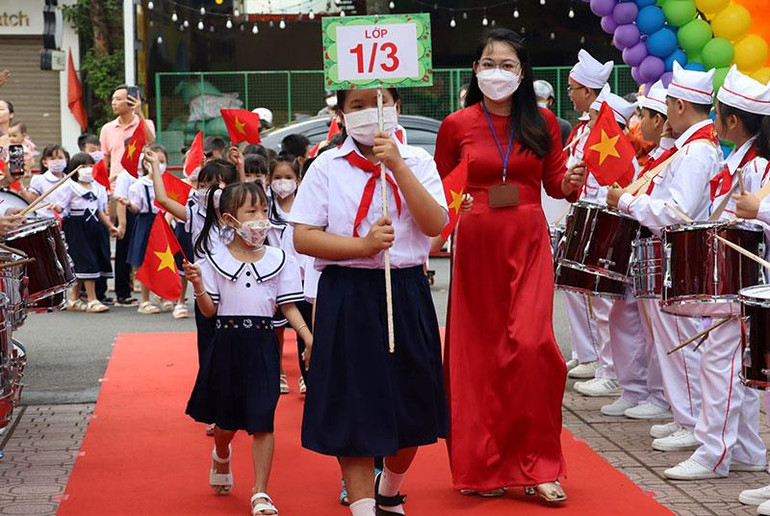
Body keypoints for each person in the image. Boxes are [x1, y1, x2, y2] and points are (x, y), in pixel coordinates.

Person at [434, 28, 586, 503]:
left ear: (522, 73)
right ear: (475, 70)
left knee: (533, 347)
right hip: (476, 244)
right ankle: (484, 467)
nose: (496, 72)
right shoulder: (456, 125)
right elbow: (442, 189)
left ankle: (540, 466)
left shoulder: (543, 122)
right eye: (487, 63)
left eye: (506, 64)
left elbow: (558, 184)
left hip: (528, 242)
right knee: (478, 357)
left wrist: (575, 179)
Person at [292, 85, 450, 516]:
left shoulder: (418, 160)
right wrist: (361, 246)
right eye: (356, 106)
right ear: (341, 114)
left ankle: (390, 489)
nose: (369, 113)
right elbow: (303, 236)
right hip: (348, 293)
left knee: (414, 404)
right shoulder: (327, 166)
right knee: (354, 405)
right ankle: (362, 508)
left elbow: (437, 222)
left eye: (379, 103)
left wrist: (397, 165)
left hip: (407, 291)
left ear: (398, 107)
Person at [661, 66, 769, 481]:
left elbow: (756, 218)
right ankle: (744, 451)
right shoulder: (742, 160)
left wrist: (757, 210)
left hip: (748, 281)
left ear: (733, 121)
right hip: (741, 281)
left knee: (719, 364)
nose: (714, 118)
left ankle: (712, 454)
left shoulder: (758, 166)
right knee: (730, 366)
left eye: (718, 112)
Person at [607, 62, 722, 453]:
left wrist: (625, 200)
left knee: (683, 344)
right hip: (673, 255)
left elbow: (677, 212)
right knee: (675, 343)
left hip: (683, 256)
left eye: (669, 103)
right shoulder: (690, 149)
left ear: (677, 106)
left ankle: (692, 421)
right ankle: (685, 417)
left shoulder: (695, 153)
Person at [184, 182, 311, 516]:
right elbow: (210, 310)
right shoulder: (213, 260)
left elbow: (288, 307)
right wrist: (198, 285)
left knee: (263, 419)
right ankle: (221, 453)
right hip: (227, 343)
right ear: (230, 219)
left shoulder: (279, 258)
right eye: (250, 212)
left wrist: (308, 338)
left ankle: (260, 492)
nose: (260, 220)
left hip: (262, 343)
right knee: (225, 423)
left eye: (264, 211)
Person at [561, 49, 614, 384]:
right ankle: (587, 353)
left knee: (599, 297)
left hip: (601, 214)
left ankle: (603, 363)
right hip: (582, 212)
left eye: (572, 88)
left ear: (588, 92)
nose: (570, 94)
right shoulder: (583, 126)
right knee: (575, 288)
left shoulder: (607, 122)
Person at [55, 153, 117, 312]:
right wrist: (55, 207)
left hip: (94, 227)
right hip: (77, 226)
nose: (87, 170)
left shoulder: (97, 186)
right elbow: (61, 208)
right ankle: (92, 299)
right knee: (85, 260)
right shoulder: (69, 186)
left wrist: (110, 226)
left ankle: (73, 298)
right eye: (83, 167)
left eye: (90, 166)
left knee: (92, 258)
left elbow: (99, 211)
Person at [118, 146, 165, 314]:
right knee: (145, 263)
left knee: (164, 260)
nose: (159, 165)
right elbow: (137, 208)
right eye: (156, 161)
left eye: (162, 162)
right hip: (146, 223)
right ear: (146, 163)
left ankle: (163, 295)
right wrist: (129, 204)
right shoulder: (139, 185)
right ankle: (144, 301)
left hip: (164, 223)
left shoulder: (168, 183)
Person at [99, 85, 156, 180]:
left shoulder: (146, 124)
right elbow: (104, 161)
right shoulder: (107, 129)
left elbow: (150, 141)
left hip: (140, 183)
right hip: (116, 185)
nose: (113, 103)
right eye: (113, 99)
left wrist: (139, 113)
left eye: (118, 99)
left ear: (130, 101)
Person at [533, 79, 572, 145]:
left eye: (539, 99)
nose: (535, 102)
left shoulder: (563, 126)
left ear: (550, 101)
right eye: (532, 99)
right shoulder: (521, 124)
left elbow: (566, 153)